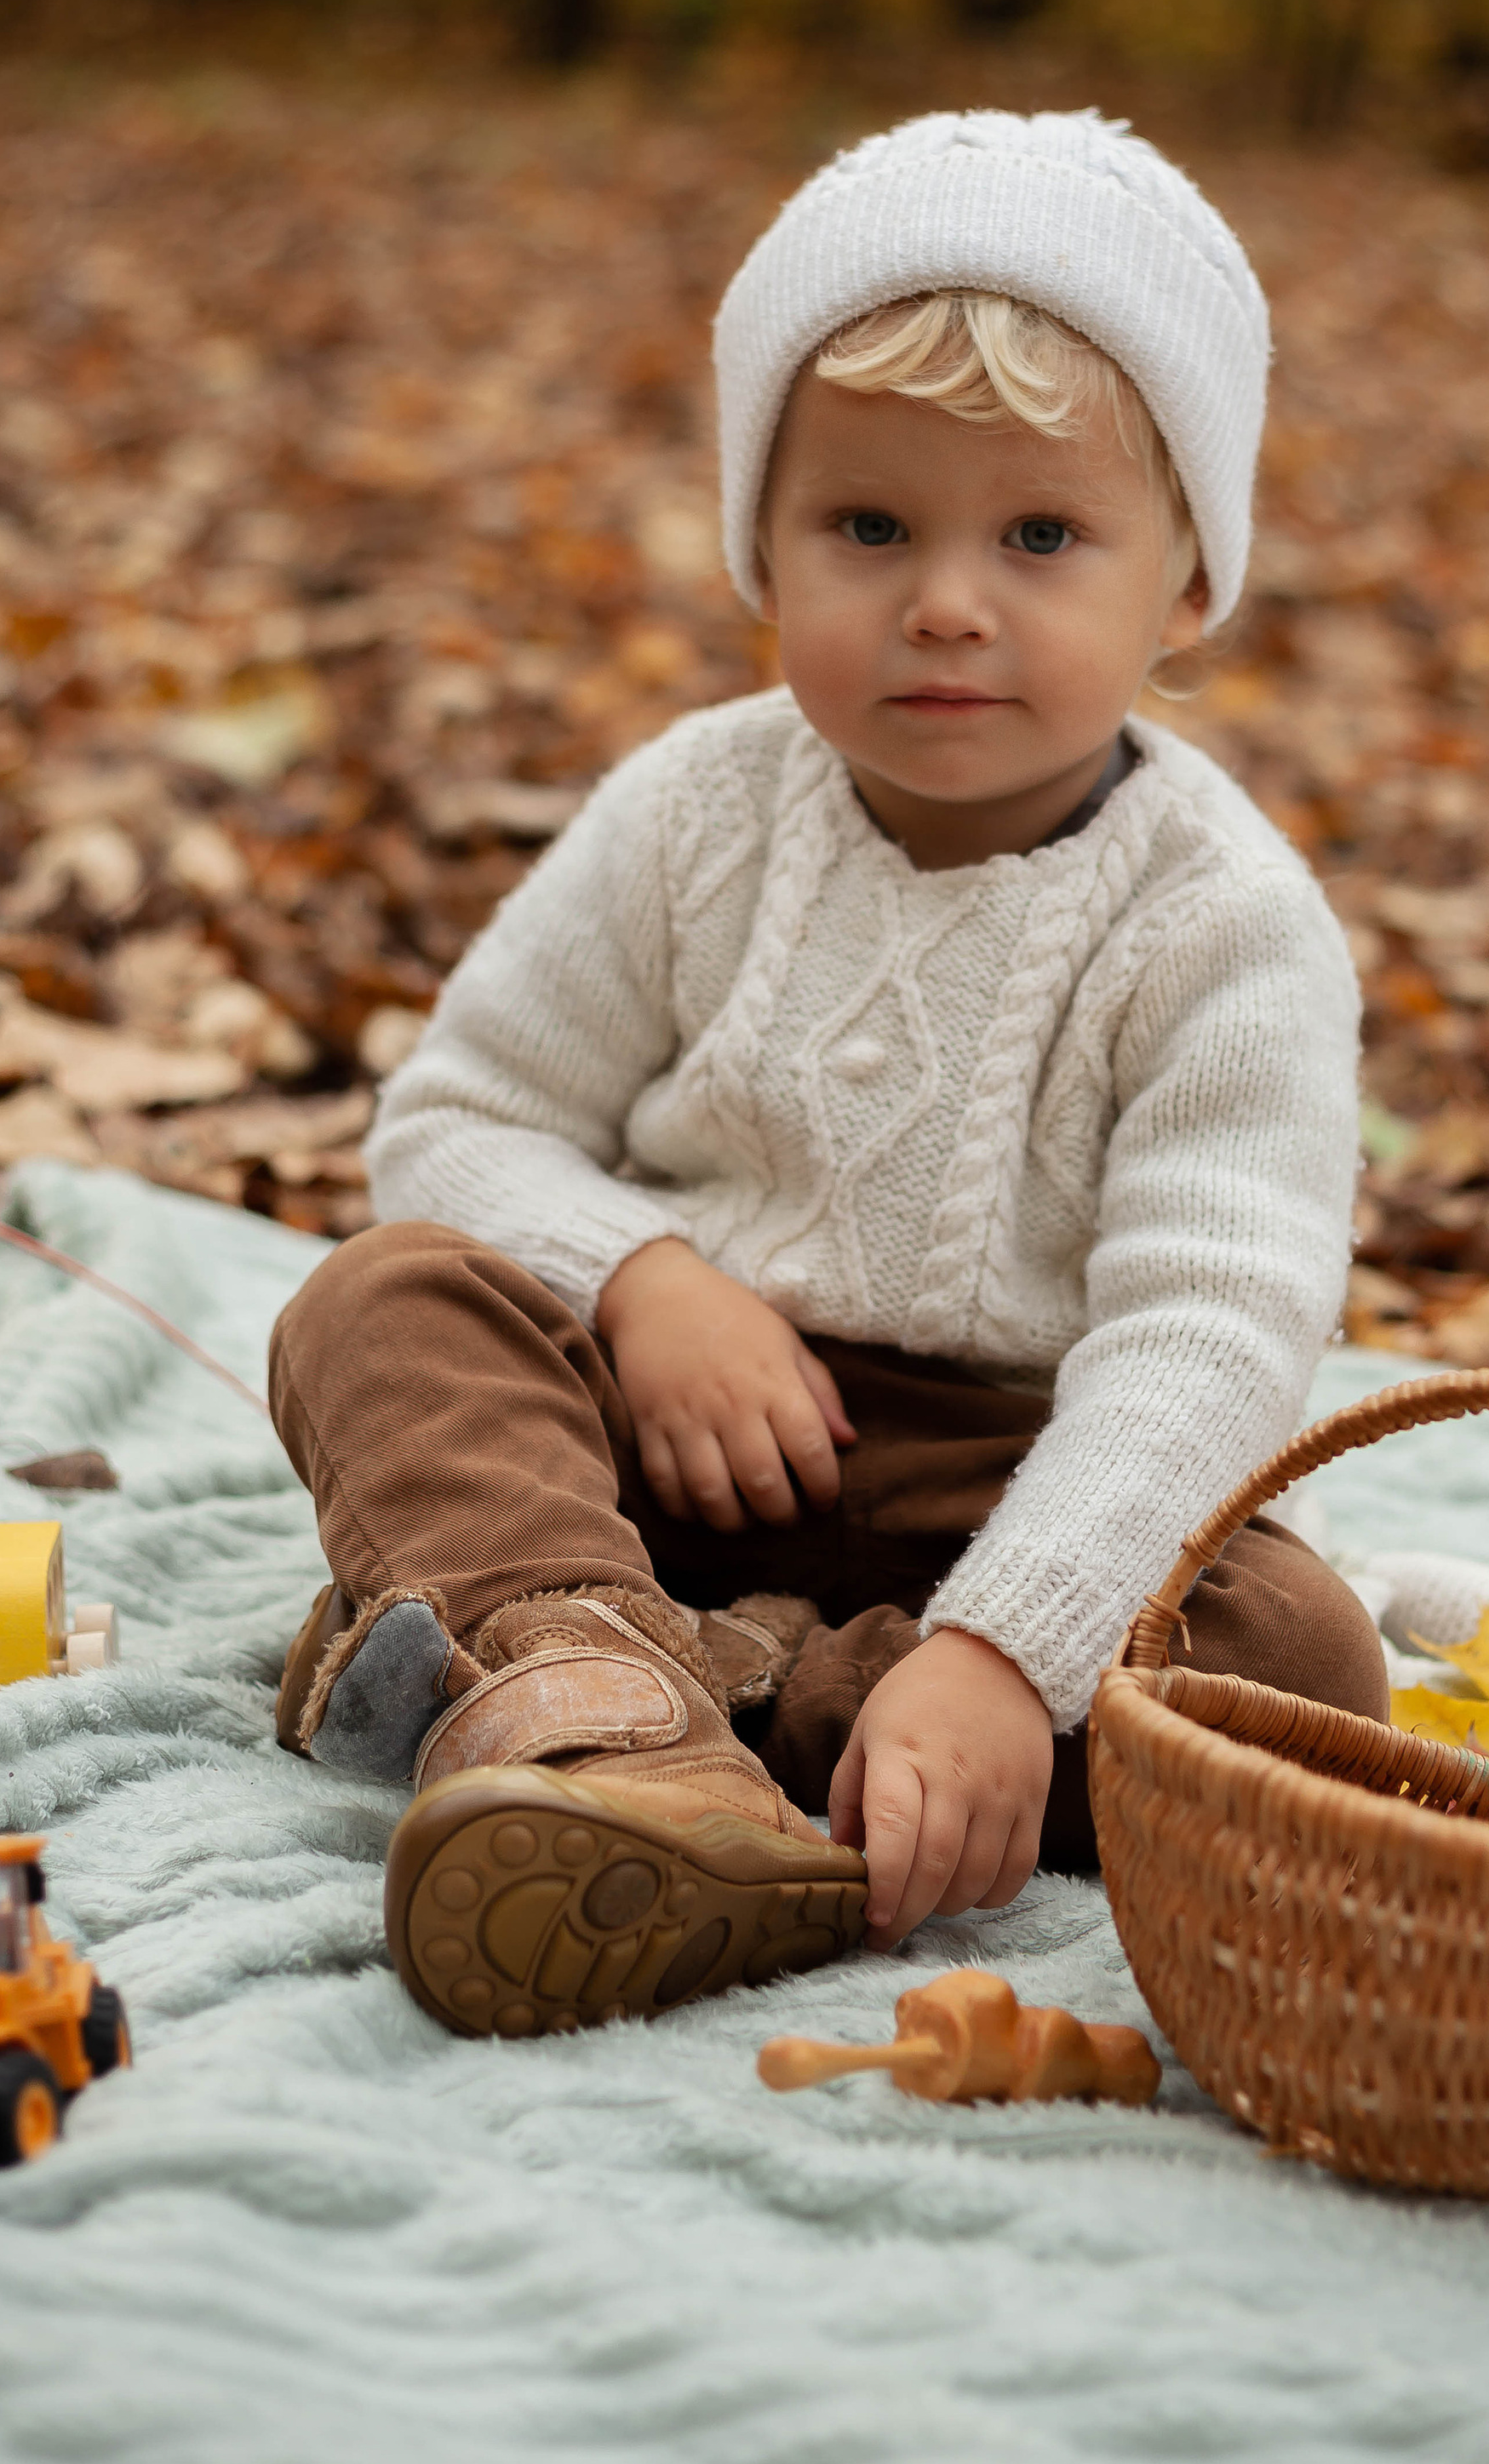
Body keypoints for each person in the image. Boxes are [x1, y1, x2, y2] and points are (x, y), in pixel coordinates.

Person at [267, 107, 1387, 2043]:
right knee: (381, 1308)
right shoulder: (697, 811)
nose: (947, 601)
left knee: (1291, 1652)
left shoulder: (1222, 921)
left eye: (1039, 536)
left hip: (999, 1477)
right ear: (760, 548)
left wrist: (999, 1649)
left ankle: (776, 1716)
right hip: (671, 1435)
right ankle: (586, 1669)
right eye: (868, 529)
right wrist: (643, 1281)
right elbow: (454, 1123)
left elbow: (1209, 1332)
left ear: (1186, 580)